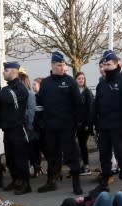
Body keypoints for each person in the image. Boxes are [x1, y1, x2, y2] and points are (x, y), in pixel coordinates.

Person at [37, 52, 83, 194]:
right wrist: (41, 122)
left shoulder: (70, 81)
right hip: (51, 127)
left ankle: (76, 184)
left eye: (63, 65)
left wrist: (77, 123)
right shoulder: (45, 83)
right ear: (52, 65)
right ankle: (51, 181)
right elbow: (40, 105)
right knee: (52, 155)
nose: (62, 67)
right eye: (59, 65)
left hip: (67, 127)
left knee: (71, 155)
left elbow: (78, 104)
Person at [93, 50, 122, 189]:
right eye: (104, 64)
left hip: (119, 126)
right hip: (104, 126)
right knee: (104, 155)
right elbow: (97, 105)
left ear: (116, 64)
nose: (105, 67)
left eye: (109, 64)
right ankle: (105, 179)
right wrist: (94, 122)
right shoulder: (102, 84)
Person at [0, 62, 32, 195]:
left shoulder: (20, 89)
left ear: (13, 71)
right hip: (7, 128)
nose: (3, 72)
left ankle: (26, 183)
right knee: (10, 157)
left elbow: (6, 97)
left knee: (20, 157)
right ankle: (16, 179)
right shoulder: (9, 88)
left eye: (5, 70)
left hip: (18, 128)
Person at [74, 71, 94, 173]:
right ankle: (81, 163)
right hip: (76, 123)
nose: (81, 80)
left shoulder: (87, 92)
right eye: (79, 78)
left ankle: (86, 165)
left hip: (84, 124)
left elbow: (90, 109)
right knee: (78, 145)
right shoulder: (74, 92)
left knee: (83, 145)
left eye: (82, 78)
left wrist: (88, 124)